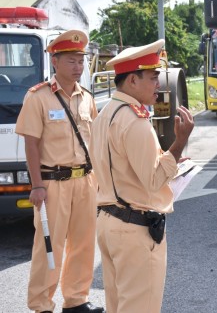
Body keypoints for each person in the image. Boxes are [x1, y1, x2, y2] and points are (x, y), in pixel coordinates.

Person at [89, 39, 194, 313]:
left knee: (118, 306)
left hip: (110, 221)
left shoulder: (106, 114)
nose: (158, 84)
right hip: (134, 228)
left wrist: (169, 158)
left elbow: (122, 167)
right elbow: (152, 181)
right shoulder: (134, 119)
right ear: (133, 80)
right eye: (152, 77)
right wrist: (179, 142)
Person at [15, 30, 104, 313]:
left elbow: (95, 142)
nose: (78, 67)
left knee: (83, 244)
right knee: (48, 247)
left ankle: (76, 300)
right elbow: (31, 144)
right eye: (72, 61)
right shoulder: (38, 97)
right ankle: (41, 305)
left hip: (85, 181)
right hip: (53, 183)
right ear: (55, 62)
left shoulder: (86, 98)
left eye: (81, 61)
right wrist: (37, 185)